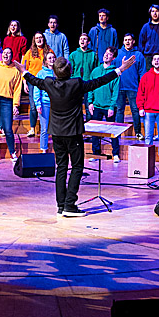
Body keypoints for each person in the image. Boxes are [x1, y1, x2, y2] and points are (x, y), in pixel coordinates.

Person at [20, 53, 137, 216]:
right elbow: (99, 81)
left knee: (61, 167)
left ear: (55, 72)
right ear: (70, 70)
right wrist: (121, 69)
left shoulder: (49, 83)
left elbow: (34, 80)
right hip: (73, 133)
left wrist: (23, 71)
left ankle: (61, 206)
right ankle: (69, 205)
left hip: (57, 133)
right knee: (76, 167)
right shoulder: (76, 83)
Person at [89, 46, 122, 162]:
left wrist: (112, 106)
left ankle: (115, 154)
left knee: (112, 131)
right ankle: (96, 153)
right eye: (105, 53)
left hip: (108, 107)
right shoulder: (95, 71)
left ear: (113, 58)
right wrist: (90, 102)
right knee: (95, 131)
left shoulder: (115, 73)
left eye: (109, 54)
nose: (106, 55)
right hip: (96, 105)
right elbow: (90, 87)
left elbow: (115, 92)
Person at [116, 33, 147, 138]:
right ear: (123, 42)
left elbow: (142, 72)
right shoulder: (118, 53)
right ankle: (118, 133)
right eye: (126, 40)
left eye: (129, 40)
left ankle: (138, 132)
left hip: (133, 87)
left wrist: (142, 87)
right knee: (119, 110)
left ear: (133, 41)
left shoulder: (138, 55)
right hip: (120, 86)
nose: (127, 42)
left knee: (135, 110)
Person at [22, 32, 50, 139]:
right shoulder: (29, 52)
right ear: (34, 40)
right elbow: (24, 68)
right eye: (37, 38)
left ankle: (49, 128)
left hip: (46, 81)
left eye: (40, 37)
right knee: (33, 106)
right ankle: (32, 128)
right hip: (32, 82)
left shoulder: (49, 51)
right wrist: (24, 82)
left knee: (47, 105)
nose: (39, 40)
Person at [32, 51, 57, 153]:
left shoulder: (58, 72)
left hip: (56, 104)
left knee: (56, 128)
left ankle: (58, 149)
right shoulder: (41, 73)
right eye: (49, 58)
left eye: (53, 57)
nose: (52, 60)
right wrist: (38, 104)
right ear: (46, 61)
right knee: (45, 128)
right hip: (45, 103)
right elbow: (37, 89)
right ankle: (44, 149)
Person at [70, 33, 98, 122]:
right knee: (76, 107)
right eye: (81, 39)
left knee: (88, 106)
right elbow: (70, 70)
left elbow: (96, 70)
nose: (82, 40)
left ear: (88, 42)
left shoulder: (93, 55)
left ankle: (89, 127)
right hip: (76, 84)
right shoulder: (73, 54)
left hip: (88, 84)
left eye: (84, 39)